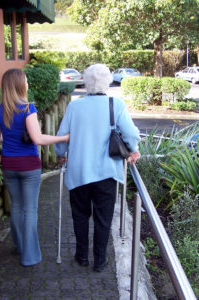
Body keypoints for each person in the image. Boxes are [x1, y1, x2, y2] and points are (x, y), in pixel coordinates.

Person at [54, 64, 141, 272]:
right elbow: (130, 134)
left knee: (80, 215)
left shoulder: (75, 106)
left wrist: (60, 154)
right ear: (108, 82)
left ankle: (81, 255)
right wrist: (134, 149)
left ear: (85, 81)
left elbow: (61, 139)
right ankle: (100, 260)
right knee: (103, 219)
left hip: (79, 172)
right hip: (106, 173)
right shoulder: (116, 104)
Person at [0, 68, 69, 267]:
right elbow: (38, 138)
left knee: (16, 207)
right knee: (30, 209)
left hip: (8, 164)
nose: (27, 84)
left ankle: (19, 247)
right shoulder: (27, 109)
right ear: (20, 84)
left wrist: (10, 136)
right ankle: (30, 256)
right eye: (25, 80)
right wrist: (64, 137)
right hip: (28, 165)